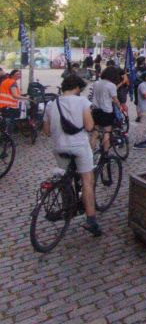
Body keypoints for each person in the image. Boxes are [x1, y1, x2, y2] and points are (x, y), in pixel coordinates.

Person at [43, 74, 101, 236]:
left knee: (64, 179)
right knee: (87, 181)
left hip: (59, 147)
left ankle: (68, 208)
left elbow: (46, 132)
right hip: (79, 147)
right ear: (77, 88)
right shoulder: (82, 102)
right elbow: (89, 126)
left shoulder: (51, 104)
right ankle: (91, 221)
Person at [89, 65, 121, 152]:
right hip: (106, 112)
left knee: (95, 132)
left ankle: (91, 153)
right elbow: (115, 100)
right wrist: (120, 108)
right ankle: (105, 154)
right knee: (107, 132)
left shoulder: (96, 83)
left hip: (96, 110)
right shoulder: (111, 85)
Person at [0, 68, 26, 134]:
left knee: (7, 120)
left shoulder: (7, 80)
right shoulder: (11, 82)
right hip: (9, 105)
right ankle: (8, 135)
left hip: (4, 104)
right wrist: (26, 98)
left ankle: (7, 134)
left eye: (20, 74)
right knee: (11, 120)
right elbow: (15, 95)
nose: (19, 76)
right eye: (17, 74)